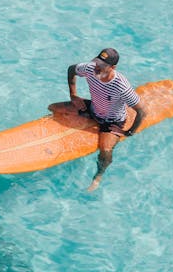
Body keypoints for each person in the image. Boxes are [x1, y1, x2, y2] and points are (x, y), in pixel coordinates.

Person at [49, 48, 146, 191]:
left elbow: (142, 111)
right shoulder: (89, 68)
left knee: (105, 151)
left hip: (112, 121)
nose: (97, 67)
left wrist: (129, 132)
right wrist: (73, 95)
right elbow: (71, 70)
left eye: (102, 65)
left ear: (113, 68)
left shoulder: (121, 86)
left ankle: (98, 176)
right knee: (52, 107)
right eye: (96, 63)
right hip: (93, 108)